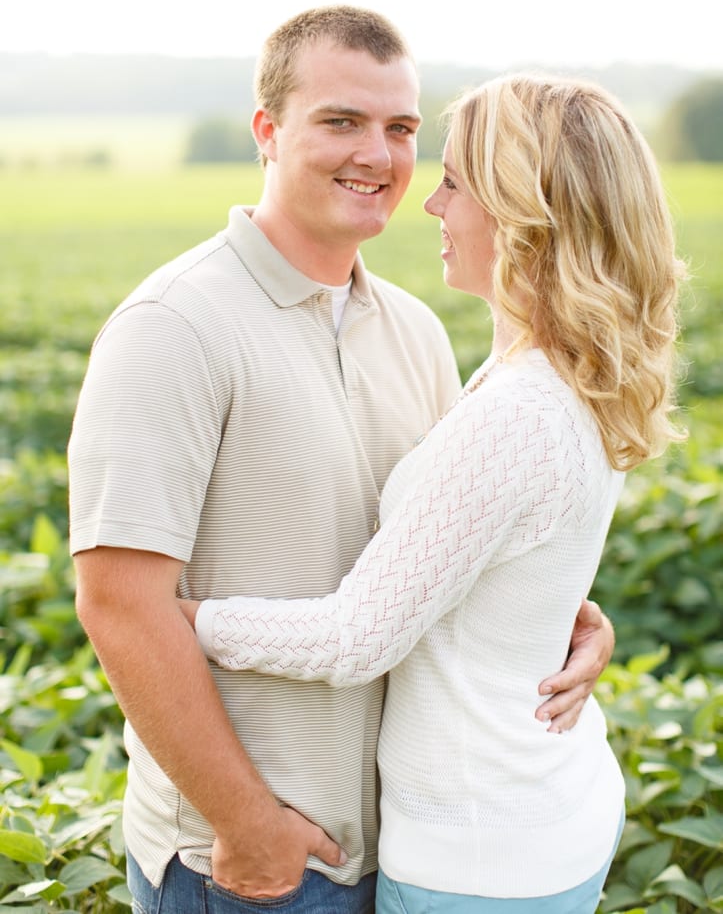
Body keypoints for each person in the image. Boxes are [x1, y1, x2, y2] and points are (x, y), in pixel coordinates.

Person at [68, 8, 616, 914]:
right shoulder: (172, 329)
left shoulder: (420, 330)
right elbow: (120, 605)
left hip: (402, 843)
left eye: (400, 129)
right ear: (267, 130)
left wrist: (557, 614)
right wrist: (246, 826)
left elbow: (444, 547)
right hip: (252, 864)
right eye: (340, 121)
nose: (378, 154)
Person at [178, 73, 686, 912]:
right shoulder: (558, 369)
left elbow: (355, 637)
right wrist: (560, 611)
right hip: (545, 807)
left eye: (454, 182)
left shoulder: (520, 409)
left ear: (524, 214)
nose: (430, 204)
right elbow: (512, 550)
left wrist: (187, 619)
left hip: (478, 854)